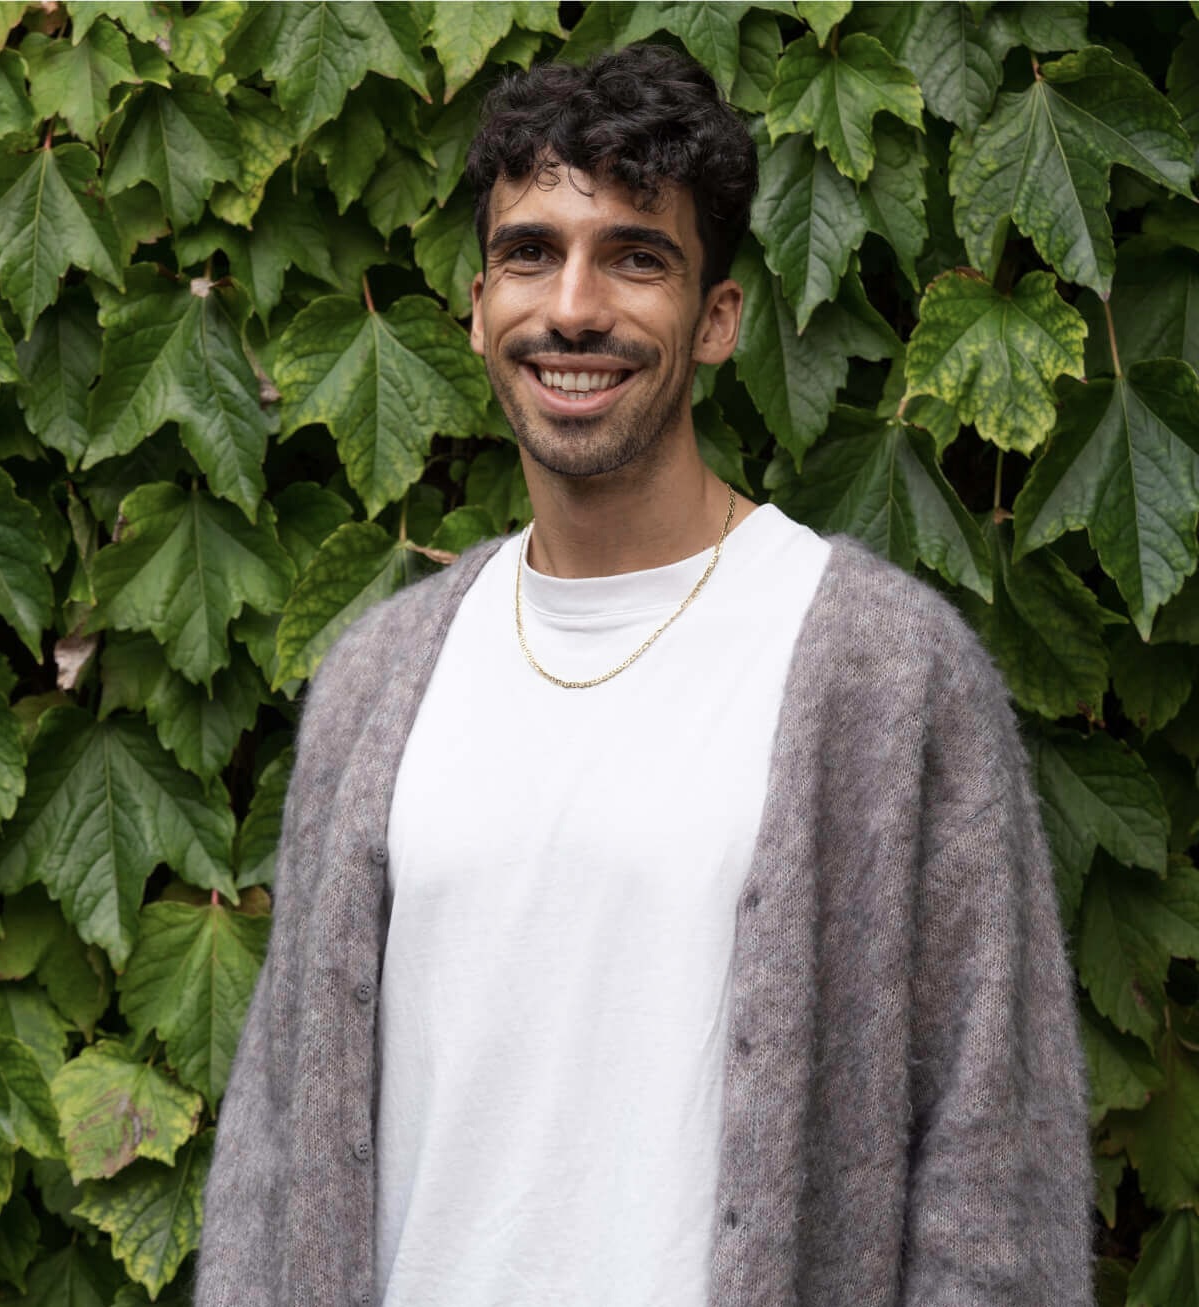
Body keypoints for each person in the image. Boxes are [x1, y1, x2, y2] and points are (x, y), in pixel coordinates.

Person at [194, 43, 1093, 1307]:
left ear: (717, 321)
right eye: (529, 251)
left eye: (635, 255)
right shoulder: (376, 679)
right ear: (476, 306)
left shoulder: (887, 675)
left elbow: (992, 1167)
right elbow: (275, 1149)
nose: (572, 306)